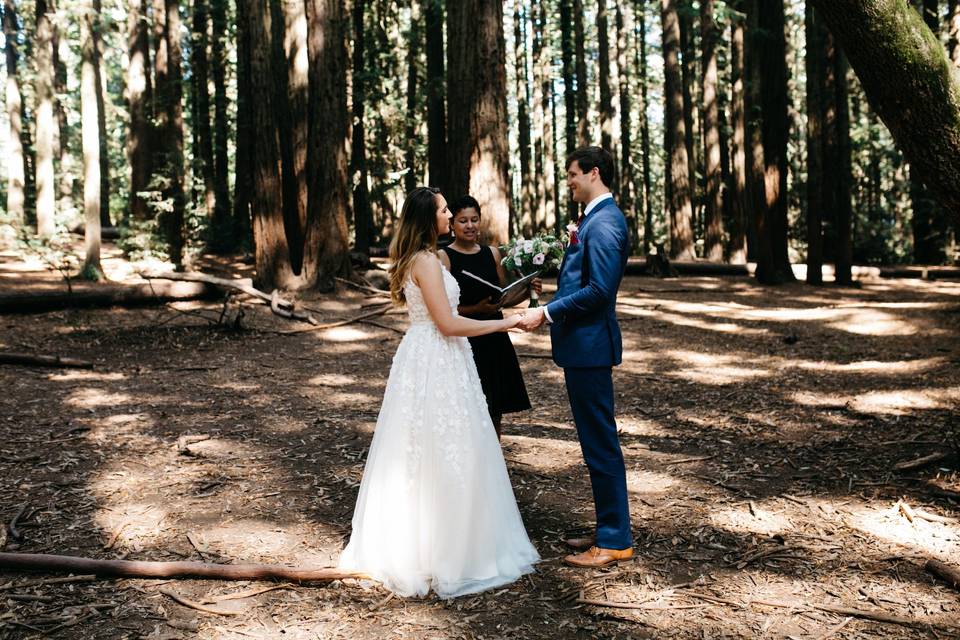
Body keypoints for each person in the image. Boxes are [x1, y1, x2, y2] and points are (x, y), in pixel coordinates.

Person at [338, 186, 539, 598]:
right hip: (434, 356)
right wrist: (507, 323)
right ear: (429, 218)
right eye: (446, 211)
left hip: (444, 358)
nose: (451, 216)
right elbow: (447, 324)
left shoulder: (427, 258)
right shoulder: (426, 262)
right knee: (432, 444)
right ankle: (436, 548)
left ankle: (456, 535)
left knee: (453, 442)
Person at [517, 147, 632, 568]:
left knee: (600, 443)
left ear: (593, 173)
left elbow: (600, 291)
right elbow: (582, 281)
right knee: (594, 441)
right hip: (582, 347)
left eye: (572, 174)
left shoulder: (604, 224)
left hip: (590, 349)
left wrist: (546, 313)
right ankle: (608, 527)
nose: (569, 181)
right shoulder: (592, 220)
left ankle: (616, 539)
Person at [439, 195, 534, 439]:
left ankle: (494, 460)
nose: (469, 225)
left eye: (474, 219)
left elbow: (501, 297)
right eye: (462, 221)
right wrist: (475, 311)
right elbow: (441, 309)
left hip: (494, 336)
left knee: (495, 404)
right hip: (464, 337)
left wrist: (527, 289)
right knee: (468, 403)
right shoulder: (444, 257)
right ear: (452, 224)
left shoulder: (492, 253)